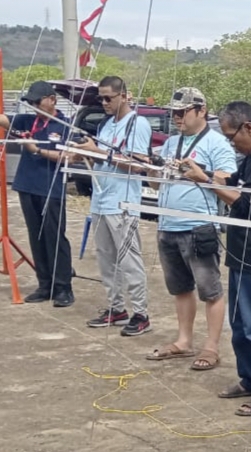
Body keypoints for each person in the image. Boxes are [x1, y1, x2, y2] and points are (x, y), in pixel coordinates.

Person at [184, 101, 251, 416]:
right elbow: (235, 184)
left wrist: (206, 182)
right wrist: (205, 174)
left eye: (232, 137)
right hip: (241, 250)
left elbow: (248, 203)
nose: (232, 144)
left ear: (249, 127)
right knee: (241, 323)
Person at [144, 87, 237, 369]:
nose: (177, 117)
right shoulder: (171, 142)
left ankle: (211, 347)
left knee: (210, 290)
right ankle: (184, 341)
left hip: (199, 226)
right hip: (167, 224)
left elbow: (228, 180)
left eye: (183, 112)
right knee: (180, 288)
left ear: (201, 111)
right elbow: (156, 184)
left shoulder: (216, 143)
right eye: (173, 113)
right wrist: (151, 169)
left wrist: (201, 173)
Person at [75, 76, 153, 336]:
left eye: (109, 97)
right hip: (100, 200)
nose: (104, 103)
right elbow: (101, 158)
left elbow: (139, 164)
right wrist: (84, 152)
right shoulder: (106, 124)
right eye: (101, 98)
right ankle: (116, 308)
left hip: (123, 203)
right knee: (106, 259)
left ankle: (141, 313)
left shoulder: (137, 123)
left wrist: (99, 152)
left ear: (124, 96)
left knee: (129, 259)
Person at [0, 81, 74, 307]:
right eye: (30, 103)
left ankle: (63, 287)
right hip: (27, 185)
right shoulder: (27, 120)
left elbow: (69, 157)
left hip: (51, 188)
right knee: (36, 236)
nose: (34, 106)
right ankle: (45, 284)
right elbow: (4, 120)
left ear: (52, 100)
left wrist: (38, 150)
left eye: (37, 101)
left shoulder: (64, 125)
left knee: (55, 237)